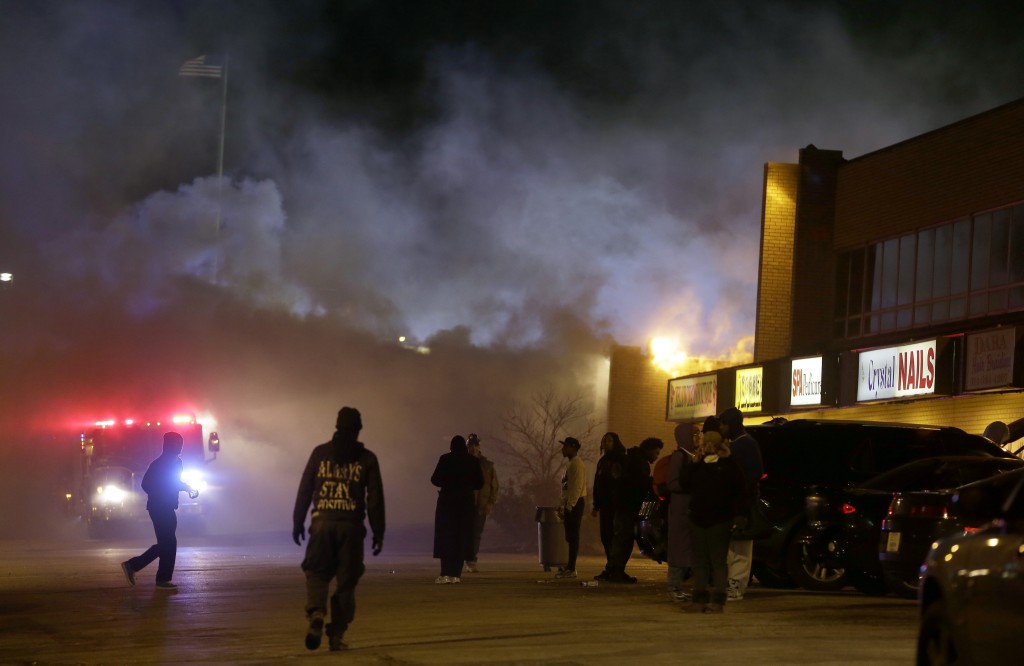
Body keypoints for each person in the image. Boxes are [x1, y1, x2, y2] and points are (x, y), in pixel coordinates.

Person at [293, 406, 385, 652]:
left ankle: (316, 612)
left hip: (321, 522)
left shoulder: (320, 453)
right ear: (358, 429)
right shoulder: (367, 459)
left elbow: (305, 489)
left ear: (336, 426)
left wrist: (297, 522)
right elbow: (374, 499)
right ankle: (337, 635)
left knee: (317, 572)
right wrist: (378, 532)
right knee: (346, 582)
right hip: (351, 528)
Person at [681, 416, 748, 614]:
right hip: (698, 518)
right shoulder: (699, 465)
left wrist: (739, 515)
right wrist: (693, 463)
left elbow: (740, 491)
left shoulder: (729, 466)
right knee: (700, 562)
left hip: (720, 520)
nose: (707, 446)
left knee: (718, 562)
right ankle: (699, 600)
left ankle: (718, 601)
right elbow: (685, 484)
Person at [121, 431, 198, 591]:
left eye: (181, 443)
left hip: (168, 507)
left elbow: (175, 482)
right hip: (159, 508)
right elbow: (146, 484)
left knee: (168, 543)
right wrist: (162, 494)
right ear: (169, 445)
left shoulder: (177, 462)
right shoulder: (159, 464)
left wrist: (187, 488)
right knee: (168, 543)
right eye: (177, 444)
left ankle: (147, 572)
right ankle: (142, 570)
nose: (180, 447)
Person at [603, 437, 663, 583]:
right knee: (624, 540)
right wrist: (653, 483)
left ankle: (613, 570)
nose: (656, 456)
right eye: (656, 453)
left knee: (621, 540)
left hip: (623, 506)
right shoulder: (639, 463)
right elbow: (640, 484)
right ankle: (616, 572)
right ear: (648, 450)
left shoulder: (633, 459)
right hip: (627, 507)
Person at [719, 406, 764, 601]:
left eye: (723, 423)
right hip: (733, 502)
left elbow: (754, 473)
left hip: (742, 503)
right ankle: (732, 583)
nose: (721, 428)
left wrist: (739, 490)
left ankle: (736, 585)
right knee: (732, 546)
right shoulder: (738, 443)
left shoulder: (745, 444)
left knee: (741, 546)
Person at [431, 435, 484, 584]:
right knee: (462, 538)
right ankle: (456, 575)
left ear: (451, 447)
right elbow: (480, 483)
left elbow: (435, 479)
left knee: (446, 538)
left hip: (447, 504)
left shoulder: (445, 459)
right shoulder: (473, 461)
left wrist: (448, 483)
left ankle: (445, 573)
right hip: (466, 505)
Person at [665, 422, 699, 601]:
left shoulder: (691, 456)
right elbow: (672, 483)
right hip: (680, 509)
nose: (697, 438)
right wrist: (690, 486)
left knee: (685, 548)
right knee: (678, 549)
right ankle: (674, 586)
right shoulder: (680, 457)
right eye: (694, 434)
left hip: (688, 509)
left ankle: (678, 586)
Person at [591, 432, 626, 577]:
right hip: (605, 506)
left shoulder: (621, 460)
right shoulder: (602, 461)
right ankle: (610, 565)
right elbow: (597, 484)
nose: (605, 443)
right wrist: (596, 504)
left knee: (614, 536)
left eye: (609, 441)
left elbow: (621, 483)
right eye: (604, 441)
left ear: (615, 443)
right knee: (605, 536)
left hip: (616, 505)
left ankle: (616, 567)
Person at [465, 433, 499, 573]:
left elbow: (494, 485)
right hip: (465, 504)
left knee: (476, 533)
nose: (472, 448)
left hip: (480, 505)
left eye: (474, 445)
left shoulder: (487, 465)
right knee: (465, 533)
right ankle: (467, 559)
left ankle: (471, 560)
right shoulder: (462, 462)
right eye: (470, 446)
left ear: (479, 447)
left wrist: (490, 503)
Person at [556, 436, 587, 579]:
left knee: (573, 536)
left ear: (573, 448)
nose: (563, 449)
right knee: (569, 536)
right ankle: (569, 566)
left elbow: (577, 487)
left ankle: (572, 568)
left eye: (566, 446)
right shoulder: (571, 464)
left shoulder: (577, 464)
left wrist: (570, 506)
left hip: (575, 503)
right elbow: (566, 487)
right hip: (570, 503)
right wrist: (562, 505)